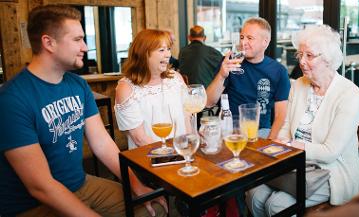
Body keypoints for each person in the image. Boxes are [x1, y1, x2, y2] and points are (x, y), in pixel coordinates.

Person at [0, 5, 167, 217]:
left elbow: (102, 144)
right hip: (31, 204)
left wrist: (137, 185)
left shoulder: (77, 84)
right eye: (77, 39)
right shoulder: (12, 99)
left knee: (153, 207)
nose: (86, 47)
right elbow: (40, 187)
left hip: (80, 184)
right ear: (48, 42)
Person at [246, 24, 359, 217]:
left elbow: (330, 152)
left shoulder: (349, 94)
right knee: (254, 195)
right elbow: (285, 127)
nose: (301, 61)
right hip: (295, 162)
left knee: (276, 205)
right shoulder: (299, 84)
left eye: (309, 55)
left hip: (330, 171)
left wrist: (292, 145)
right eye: (300, 54)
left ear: (327, 59)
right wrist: (282, 145)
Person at [206, 17, 290, 139]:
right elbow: (209, 102)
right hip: (231, 130)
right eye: (242, 37)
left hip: (261, 132)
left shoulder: (279, 71)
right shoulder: (230, 63)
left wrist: (270, 142)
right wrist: (222, 75)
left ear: (265, 42)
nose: (243, 43)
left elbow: (281, 115)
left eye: (249, 38)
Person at [114, 29, 190, 150]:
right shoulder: (126, 89)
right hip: (149, 159)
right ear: (144, 54)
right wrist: (169, 156)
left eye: (168, 49)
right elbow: (140, 139)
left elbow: (186, 118)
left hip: (182, 154)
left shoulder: (176, 78)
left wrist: (189, 149)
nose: (168, 54)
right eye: (161, 50)